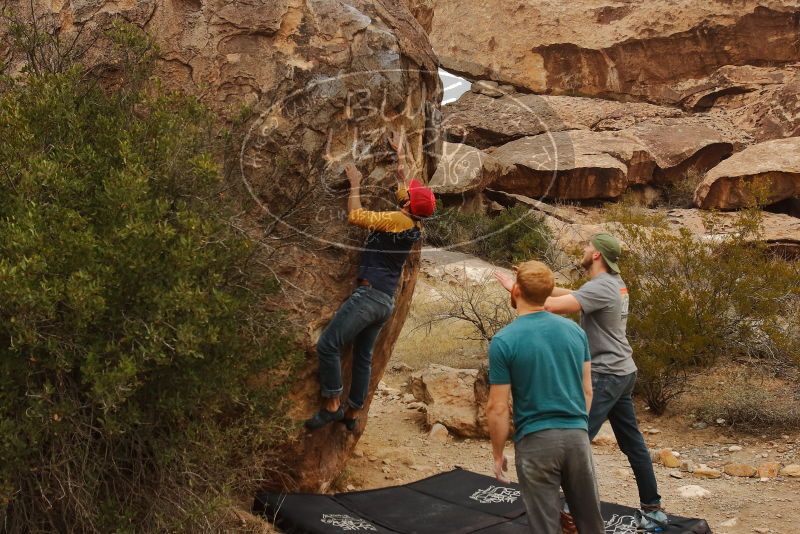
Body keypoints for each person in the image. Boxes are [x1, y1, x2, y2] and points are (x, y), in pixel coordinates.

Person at [495, 233, 669, 532]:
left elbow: (550, 307)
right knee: (632, 443)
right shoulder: (613, 282)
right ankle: (652, 508)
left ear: (598, 255)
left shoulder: (602, 287)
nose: (584, 249)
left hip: (606, 373)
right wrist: (540, 286)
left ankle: (566, 508)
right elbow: (572, 292)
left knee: (573, 433)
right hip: (623, 370)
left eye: (588, 246)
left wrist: (517, 290)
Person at [305, 132, 436, 432]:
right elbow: (404, 188)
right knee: (363, 358)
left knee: (328, 344)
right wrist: (400, 156)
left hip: (369, 297)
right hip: (385, 301)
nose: (406, 194)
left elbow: (356, 215)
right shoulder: (413, 220)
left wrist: (355, 184)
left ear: (409, 206)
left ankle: (332, 405)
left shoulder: (397, 221)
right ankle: (354, 414)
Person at [487, 260, 603, 534]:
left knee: (545, 526)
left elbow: (498, 407)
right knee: (591, 522)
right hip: (577, 437)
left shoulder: (504, 341)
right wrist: (576, 427)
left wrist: (497, 453)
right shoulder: (575, 331)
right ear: (549, 292)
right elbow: (588, 390)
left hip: (536, 442)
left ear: (516, 291)